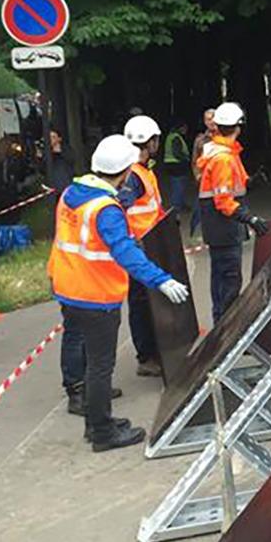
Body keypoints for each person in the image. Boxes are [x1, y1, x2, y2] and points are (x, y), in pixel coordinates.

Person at [48, 135, 190, 451]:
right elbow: (125, 253)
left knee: (84, 354)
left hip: (67, 285)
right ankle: (101, 431)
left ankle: (95, 420)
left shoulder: (72, 194)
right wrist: (162, 280)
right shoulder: (106, 208)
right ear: (125, 171)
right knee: (100, 366)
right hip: (95, 293)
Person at [197, 102, 269, 324]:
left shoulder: (224, 153)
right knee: (228, 282)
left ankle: (223, 329)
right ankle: (225, 334)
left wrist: (251, 183)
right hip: (224, 228)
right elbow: (223, 200)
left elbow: (233, 186)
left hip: (221, 228)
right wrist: (250, 219)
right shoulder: (223, 158)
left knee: (224, 280)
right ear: (239, 127)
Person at [120, 115, 168, 377]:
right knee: (141, 303)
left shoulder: (142, 171)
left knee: (147, 302)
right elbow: (120, 209)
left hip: (149, 244)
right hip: (139, 249)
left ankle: (153, 352)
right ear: (149, 142)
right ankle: (146, 356)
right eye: (156, 139)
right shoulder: (134, 177)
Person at [190, 108, 217, 235]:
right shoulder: (200, 140)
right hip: (205, 180)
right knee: (201, 208)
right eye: (208, 119)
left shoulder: (225, 136)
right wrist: (197, 176)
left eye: (213, 118)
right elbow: (195, 160)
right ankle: (196, 232)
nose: (211, 121)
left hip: (221, 178)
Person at [162, 119, 192, 214]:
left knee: (178, 185)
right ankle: (175, 208)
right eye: (185, 128)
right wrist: (186, 159)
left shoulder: (171, 136)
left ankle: (180, 204)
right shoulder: (176, 137)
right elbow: (177, 152)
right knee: (178, 186)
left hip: (170, 164)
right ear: (181, 128)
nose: (186, 130)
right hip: (177, 165)